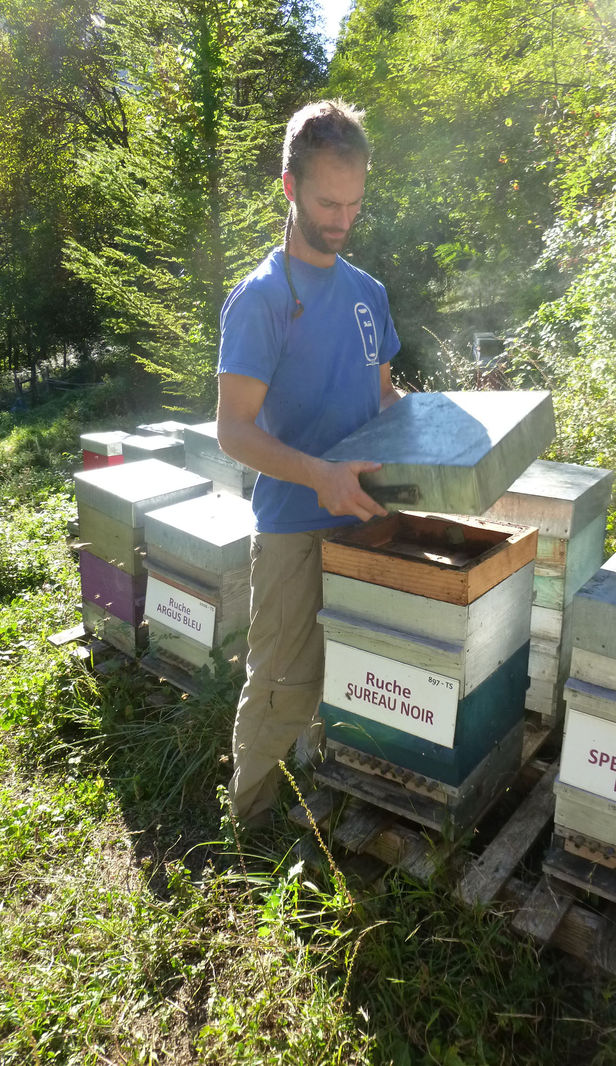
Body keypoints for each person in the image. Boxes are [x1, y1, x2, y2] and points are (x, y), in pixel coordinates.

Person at [216, 100, 403, 824]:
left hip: (366, 520)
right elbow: (233, 431)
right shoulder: (261, 299)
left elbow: (383, 397)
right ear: (290, 187)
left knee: (350, 672)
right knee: (282, 681)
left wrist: (437, 429)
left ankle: (323, 789)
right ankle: (249, 816)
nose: (343, 220)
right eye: (328, 203)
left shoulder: (369, 294)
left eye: (354, 204)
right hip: (294, 524)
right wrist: (319, 474)